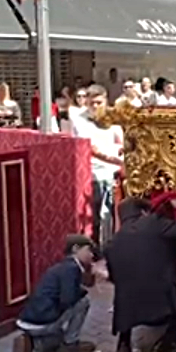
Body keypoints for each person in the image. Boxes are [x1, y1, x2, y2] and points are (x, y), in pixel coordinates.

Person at [106, 197, 176, 352]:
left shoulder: (112, 243)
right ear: (144, 212)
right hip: (164, 304)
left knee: (125, 292)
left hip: (129, 310)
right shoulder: (154, 224)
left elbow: (114, 278)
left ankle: (124, 343)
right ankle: (167, 344)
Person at [12, 235, 99, 352]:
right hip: (42, 321)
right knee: (83, 302)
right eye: (88, 250)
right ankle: (71, 343)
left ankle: (31, 342)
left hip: (28, 319)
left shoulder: (61, 267)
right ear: (76, 249)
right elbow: (68, 299)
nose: (91, 255)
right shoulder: (72, 268)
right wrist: (83, 291)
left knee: (57, 336)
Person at [72, 85, 123, 244]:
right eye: (92, 102)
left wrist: (122, 156)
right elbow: (90, 148)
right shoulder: (79, 120)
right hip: (92, 173)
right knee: (94, 217)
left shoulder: (112, 120)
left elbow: (120, 142)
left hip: (112, 174)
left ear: (106, 101)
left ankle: (108, 248)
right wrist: (113, 159)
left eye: (99, 102)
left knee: (109, 216)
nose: (95, 106)